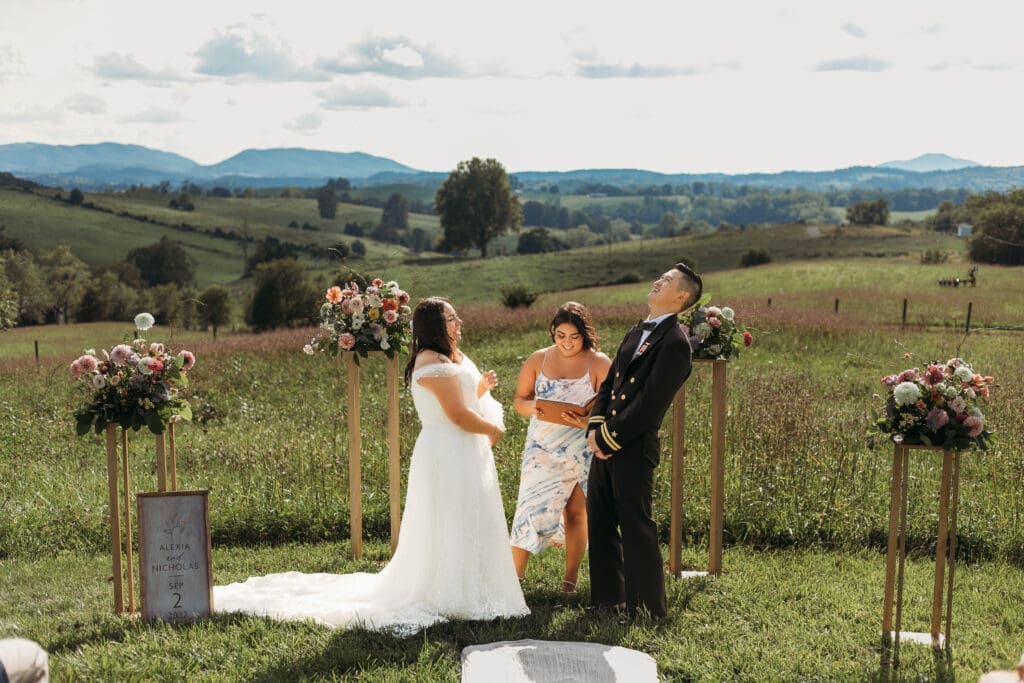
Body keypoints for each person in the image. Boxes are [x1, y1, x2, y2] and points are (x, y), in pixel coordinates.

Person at [214, 297, 528, 633]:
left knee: (464, 515)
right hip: (448, 450)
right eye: (452, 318)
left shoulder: (445, 358)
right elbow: (457, 414)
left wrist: (480, 390)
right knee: (449, 517)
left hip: (460, 448)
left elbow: (462, 401)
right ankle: (450, 592)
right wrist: (493, 429)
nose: (459, 323)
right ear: (435, 325)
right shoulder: (431, 362)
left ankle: (472, 587)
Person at [586, 262, 702, 618]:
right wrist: (595, 426)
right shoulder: (638, 331)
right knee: (600, 518)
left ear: (681, 296)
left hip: (632, 445)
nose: (657, 281)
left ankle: (647, 608)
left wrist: (609, 437)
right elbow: (610, 383)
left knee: (635, 523)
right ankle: (608, 601)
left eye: (666, 280)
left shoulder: (676, 342)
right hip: (604, 440)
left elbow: (651, 401)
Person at [510, 302, 611, 593]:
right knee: (530, 506)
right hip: (541, 446)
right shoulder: (537, 360)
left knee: (576, 511)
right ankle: (515, 580)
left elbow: (612, 408)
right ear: (553, 333)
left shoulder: (599, 362)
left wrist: (586, 422)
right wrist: (536, 408)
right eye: (560, 335)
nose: (567, 342)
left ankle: (569, 582)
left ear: (585, 335)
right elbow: (519, 401)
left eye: (574, 336)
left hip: (581, 447)